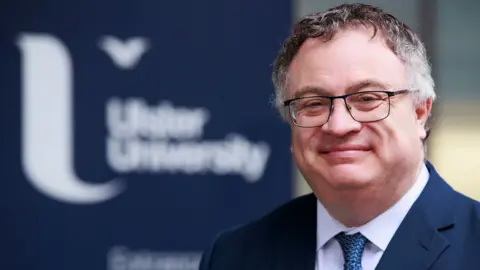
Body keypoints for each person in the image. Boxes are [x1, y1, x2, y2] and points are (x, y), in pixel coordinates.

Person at [199, 3, 480, 270]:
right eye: (313, 104)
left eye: (367, 99)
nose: (338, 125)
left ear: (420, 112)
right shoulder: (234, 255)